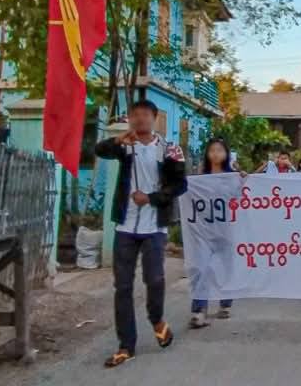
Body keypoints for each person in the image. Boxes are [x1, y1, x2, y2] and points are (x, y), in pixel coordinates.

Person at [96, 100, 187, 369]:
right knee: (122, 286)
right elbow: (99, 150)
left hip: (154, 227)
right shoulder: (125, 147)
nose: (139, 120)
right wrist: (118, 140)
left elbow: (179, 184)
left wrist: (151, 198)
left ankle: (157, 319)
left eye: (145, 115)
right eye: (134, 115)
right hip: (125, 226)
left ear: (154, 118)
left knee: (155, 278)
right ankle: (126, 345)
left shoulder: (169, 149)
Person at [190, 137, 238, 329]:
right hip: (203, 231)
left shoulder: (232, 177)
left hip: (225, 230)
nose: (216, 154)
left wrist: (241, 180)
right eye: (212, 150)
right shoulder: (198, 179)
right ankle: (198, 310)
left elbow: (240, 197)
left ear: (226, 154)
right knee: (200, 268)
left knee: (226, 269)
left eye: (220, 150)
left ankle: (225, 303)